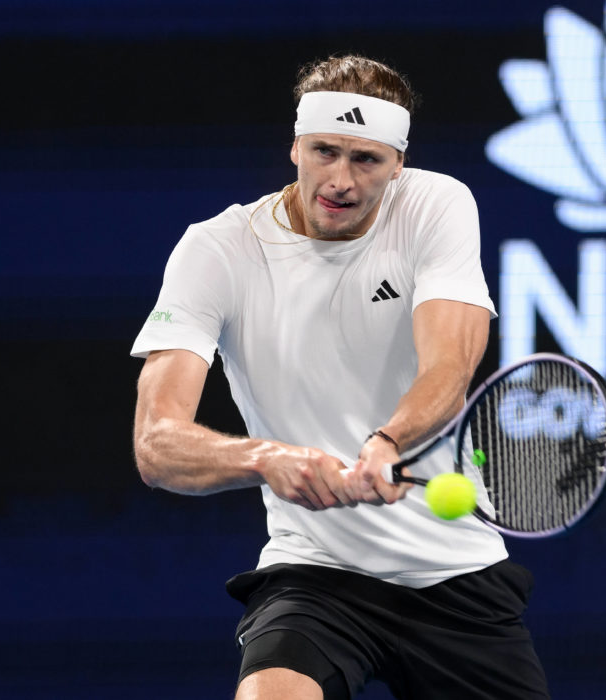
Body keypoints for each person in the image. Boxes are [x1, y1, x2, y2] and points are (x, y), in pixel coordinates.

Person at [131, 55, 549, 700]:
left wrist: (387, 440)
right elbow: (157, 445)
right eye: (325, 151)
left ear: (397, 165)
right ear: (295, 146)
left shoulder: (436, 205)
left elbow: (450, 366)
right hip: (316, 571)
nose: (342, 180)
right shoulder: (215, 251)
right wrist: (264, 457)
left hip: (456, 575)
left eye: (367, 160)